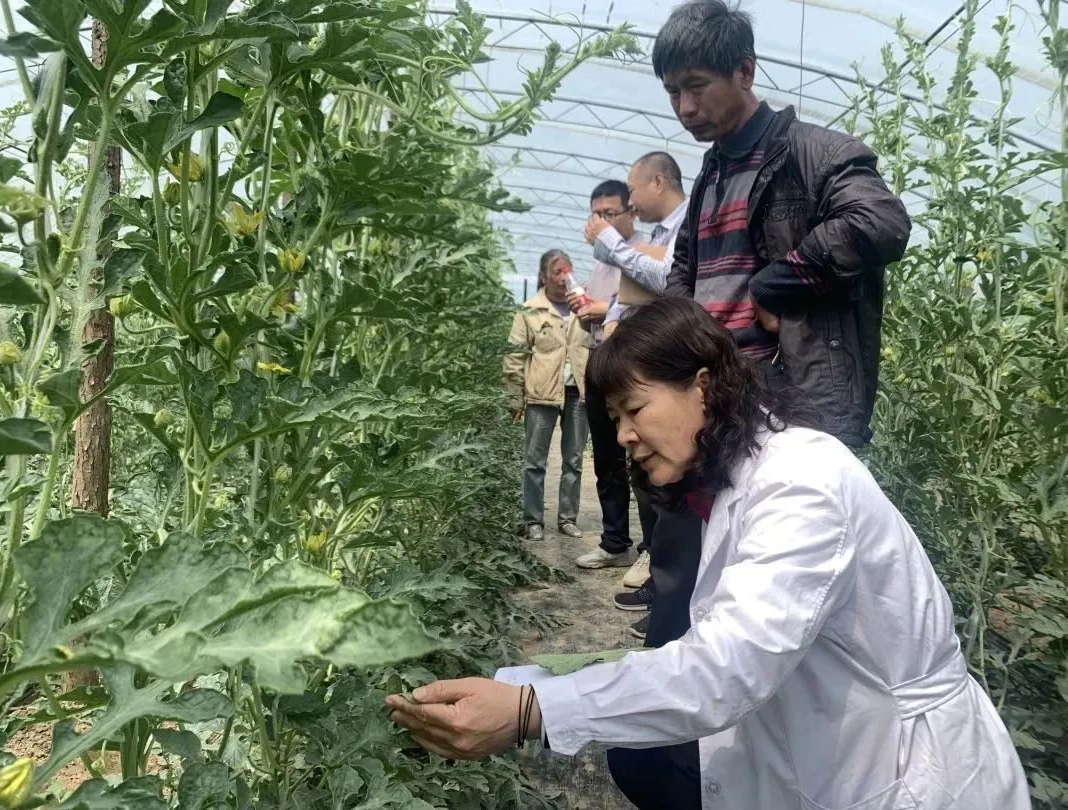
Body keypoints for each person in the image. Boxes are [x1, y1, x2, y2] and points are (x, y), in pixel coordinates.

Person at [387, 298, 1030, 810]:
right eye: (613, 419)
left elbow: (724, 670)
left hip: (905, 772)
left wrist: (532, 710)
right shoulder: (734, 481)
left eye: (634, 408)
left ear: (703, 386)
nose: (624, 436)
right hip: (831, 754)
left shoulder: (801, 482)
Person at [660, 0, 911, 447]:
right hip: (715, 399)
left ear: (745, 71)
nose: (686, 107)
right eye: (674, 92)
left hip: (786, 403)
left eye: (697, 86)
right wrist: (684, 343)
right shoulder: (711, 172)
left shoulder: (813, 154)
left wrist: (773, 284)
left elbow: (878, 222)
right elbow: (684, 268)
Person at [583, 152, 700, 639]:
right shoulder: (656, 235)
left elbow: (670, 282)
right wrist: (611, 318)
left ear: (658, 181)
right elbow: (629, 295)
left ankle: (674, 606)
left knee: (672, 486)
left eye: (632, 194)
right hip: (634, 361)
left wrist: (611, 241)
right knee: (643, 471)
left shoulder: (684, 226)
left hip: (664, 366)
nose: (630, 203)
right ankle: (662, 587)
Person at [572, 181, 655, 573]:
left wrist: (605, 309)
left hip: (634, 366)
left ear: (630, 211)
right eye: (596, 214)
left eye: (609, 213)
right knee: (606, 457)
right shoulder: (601, 260)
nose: (600, 222)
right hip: (600, 360)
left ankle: (652, 547)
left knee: (642, 458)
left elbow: (650, 298)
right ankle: (614, 541)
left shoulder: (644, 249)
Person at [502, 250, 590, 541]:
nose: (564, 276)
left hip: (578, 393)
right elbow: (514, 356)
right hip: (540, 395)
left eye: (567, 269)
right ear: (543, 276)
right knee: (534, 461)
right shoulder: (530, 310)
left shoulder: (584, 306)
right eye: (557, 271)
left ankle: (567, 518)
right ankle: (533, 520)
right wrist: (515, 398)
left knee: (574, 460)